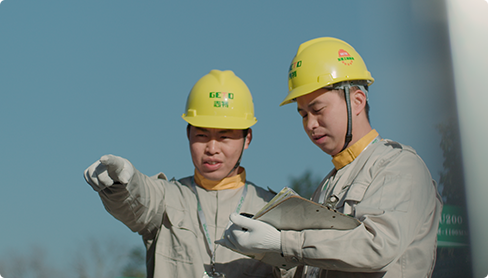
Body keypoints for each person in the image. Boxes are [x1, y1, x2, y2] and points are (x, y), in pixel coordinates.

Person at [217, 37, 443, 277]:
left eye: (317, 110)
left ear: (357, 101)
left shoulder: (399, 165)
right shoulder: (329, 183)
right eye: (303, 114)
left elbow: (377, 246)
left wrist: (283, 242)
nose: (310, 124)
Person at [83, 69, 279, 278]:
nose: (212, 148)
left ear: (247, 138)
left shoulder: (271, 209)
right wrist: (121, 184)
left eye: (224, 137)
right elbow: (139, 199)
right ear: (188, 134)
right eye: (202, 135)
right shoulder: (166, 199)